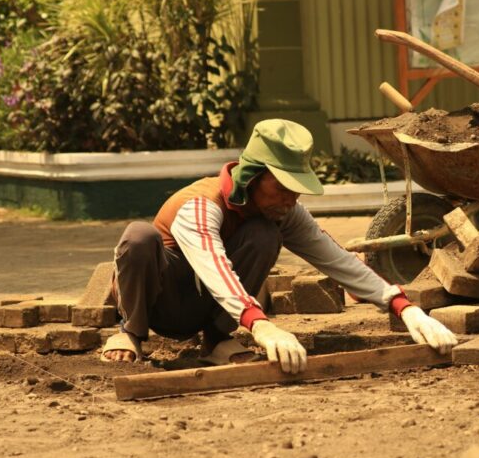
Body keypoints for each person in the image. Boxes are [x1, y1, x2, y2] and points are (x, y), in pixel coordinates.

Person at [101, 119, 457, 373]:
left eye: (296, 189)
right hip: (161, 303)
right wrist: (261, 325)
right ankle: (130, 332)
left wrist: (401, 305)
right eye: (282, 188)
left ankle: (217, 339)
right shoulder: (201, 205)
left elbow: (334, 257)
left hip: (208, 308)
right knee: (138, 237)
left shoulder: (281, 212)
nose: (290, 199)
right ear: (252, 177)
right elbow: (215, 268)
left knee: (264, 234)